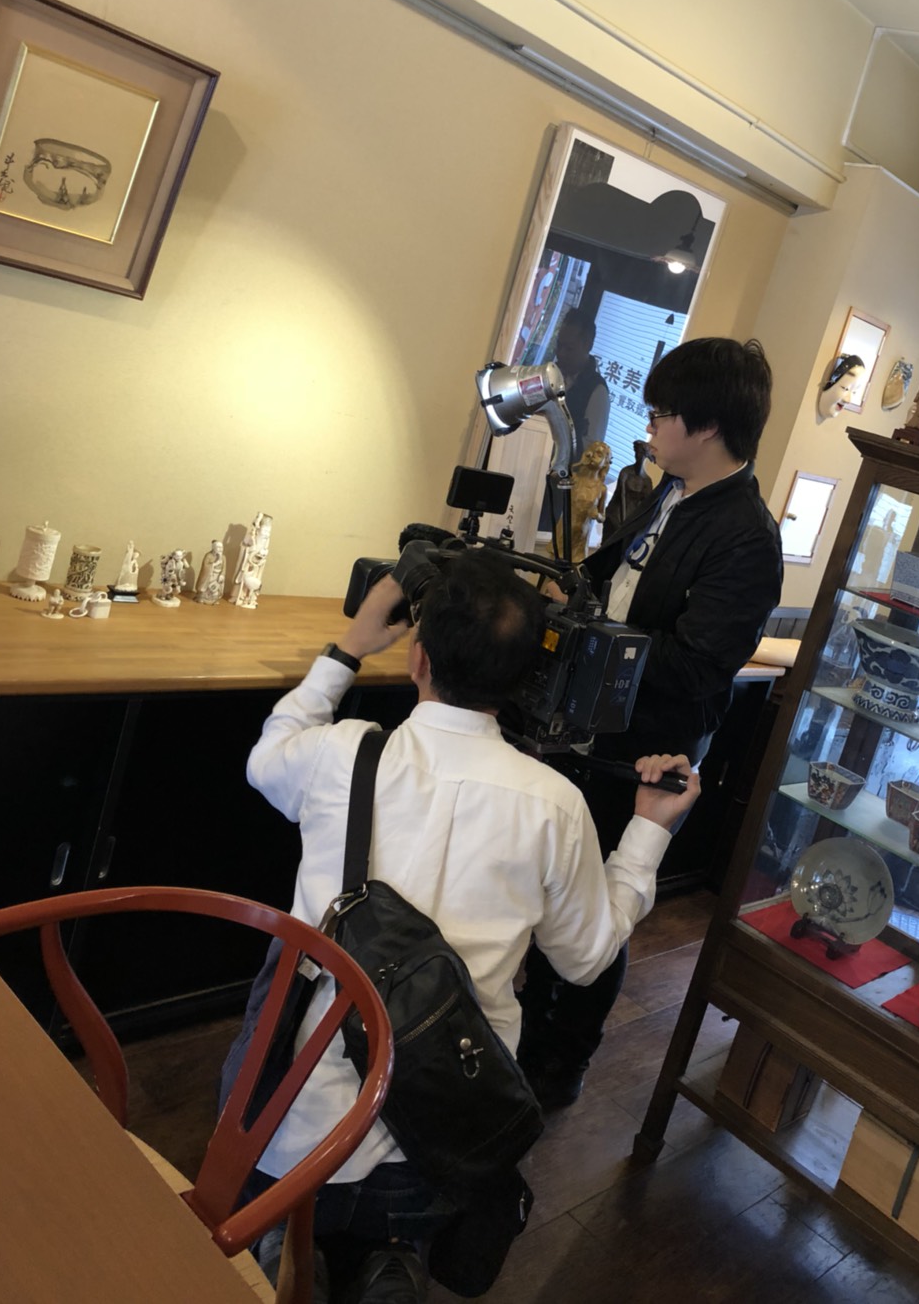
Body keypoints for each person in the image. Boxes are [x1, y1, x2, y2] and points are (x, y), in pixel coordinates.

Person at [239, 552, 699, 1304]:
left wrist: (349, 647)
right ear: (528, 677)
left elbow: (267, 757)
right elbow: (586, 961)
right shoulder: (554, 805)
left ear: (418, 659)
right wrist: (648, 830)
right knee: (403, 1229)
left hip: (290, 1132)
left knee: (282, 1227)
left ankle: (285, 1251)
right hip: (438, 1141)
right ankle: (393, 1254)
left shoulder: (341, 754)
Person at [518, 336, 783, 1110]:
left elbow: (698, 667)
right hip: (594, 731)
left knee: (599, 908)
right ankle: (527, 1035)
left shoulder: (747, 537)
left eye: (664, 413)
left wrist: (587, 636)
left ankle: (561, 1061)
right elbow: (610, 582)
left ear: (708, 425)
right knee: (555, 891)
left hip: (646, 754)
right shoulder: (670, 492)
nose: (652, 425)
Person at [554, 308, 610, 464]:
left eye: (569, 348)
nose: (561, 353)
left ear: (588, 345)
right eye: (559, 345)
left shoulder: (597, 391)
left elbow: (590, 453)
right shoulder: (550, 373)